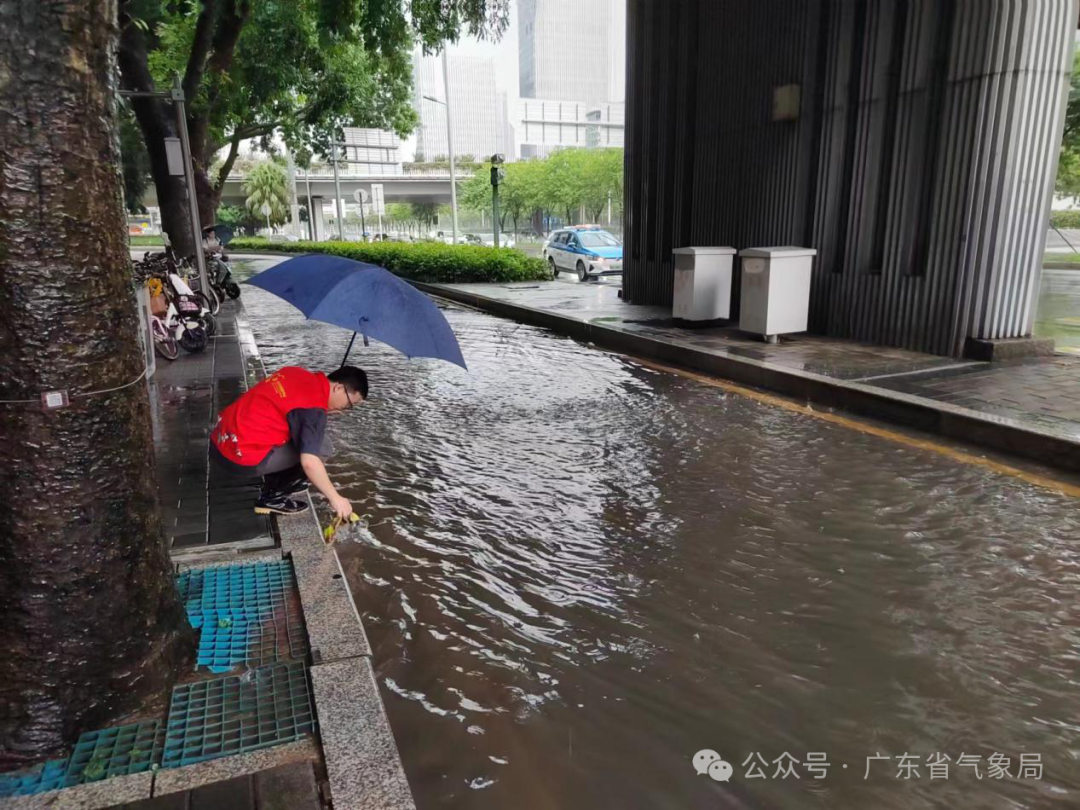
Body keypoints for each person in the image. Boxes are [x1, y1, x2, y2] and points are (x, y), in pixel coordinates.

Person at [210, 365, 367, 516]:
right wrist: (336, 498)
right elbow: (309, 462)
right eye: (348, 404)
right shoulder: (313, 409)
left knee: (305, 437)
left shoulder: (296, 373)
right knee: (322, 448)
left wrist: (320, 413)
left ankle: (281, 479)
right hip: (237, 458)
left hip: (220, 439)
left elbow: (291, 403)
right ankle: (272, 497)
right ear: (338, 388)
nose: (344, 409)